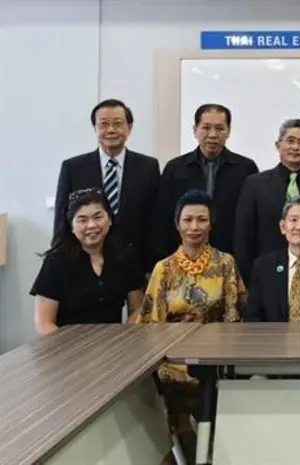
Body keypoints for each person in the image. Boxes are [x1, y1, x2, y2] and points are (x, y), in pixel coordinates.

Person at [132, 190, 245, 464]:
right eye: (188, 220)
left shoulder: (226, 263)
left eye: (202, 219)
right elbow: (151, 325)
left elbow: (234, 317)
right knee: (174, 406)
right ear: (177, 224)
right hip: (174, 362)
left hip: (216, 359)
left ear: (211, 223)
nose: (194, 226)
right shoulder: (164, 269)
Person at [53, 99, 160, 272]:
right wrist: (59, 260)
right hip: (84, 262)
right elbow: (61, 219)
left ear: (129, 128)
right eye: (103, 124)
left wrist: (154, 265)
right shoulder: (73, 168)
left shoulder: (148, 167)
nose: (111, 130)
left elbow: (156, 220)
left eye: (117, 123)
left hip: (135, 262)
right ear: (95, 128)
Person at [31, 188, 145, 335]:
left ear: (109, 220)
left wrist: (124, 337)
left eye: (98, 217)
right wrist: (71, 346)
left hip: (113, 342)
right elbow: (43, 323)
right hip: (67, 344)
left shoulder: (125, 256)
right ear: (71, 226)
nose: (91, 225)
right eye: (82, 220)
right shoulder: (55, 262)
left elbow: (137, 309)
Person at [156, 103, 258, 261]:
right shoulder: (175, 168)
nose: (212, 135)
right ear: (195, 130)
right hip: (183, 257)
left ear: (228, 131)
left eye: (220, 128)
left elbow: (250, 220)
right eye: (206, 128)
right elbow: (163, 218)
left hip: (230, 257)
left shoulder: (245, 168)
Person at [234, 118, 300, 281]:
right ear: (278, 145)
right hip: (265, 273)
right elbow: (243, 237)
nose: (295, 147)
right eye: (290, 141)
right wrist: (249, 279)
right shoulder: (255, 184)